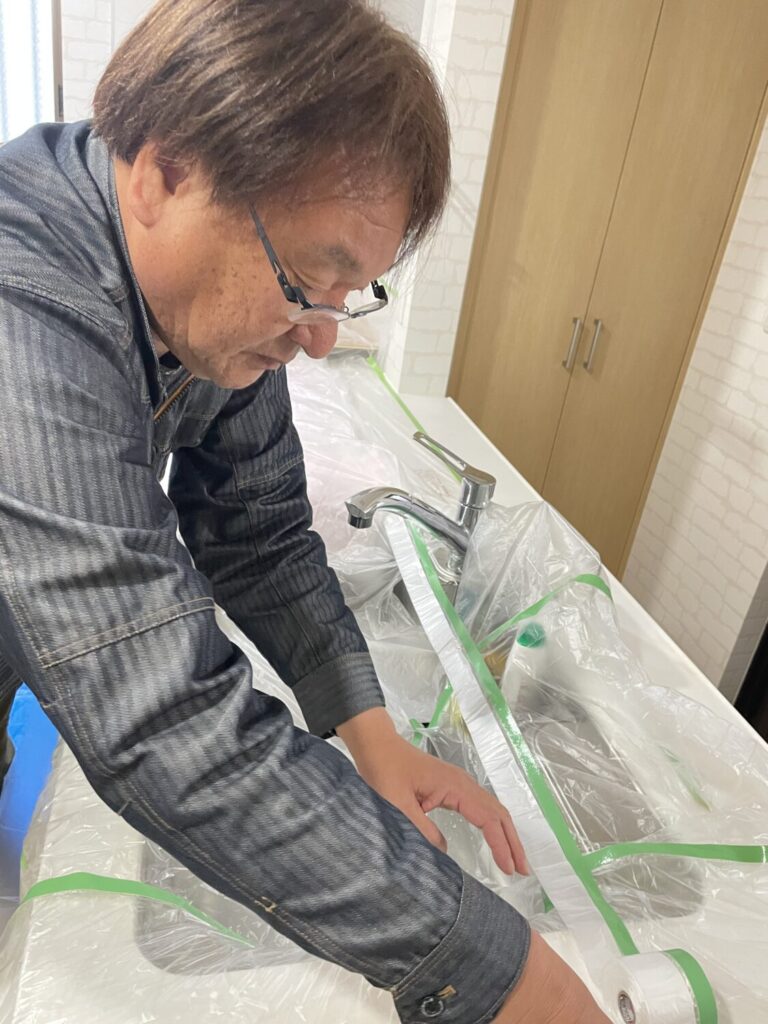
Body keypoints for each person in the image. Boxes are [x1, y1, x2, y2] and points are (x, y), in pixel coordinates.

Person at [0, 1, 610, 1021]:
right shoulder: (23, 308)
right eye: (305, 281)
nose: (319, 339)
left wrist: (375, 736)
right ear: (163, 173)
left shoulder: (207, 310)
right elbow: (164, 717)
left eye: (346, 294)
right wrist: (504, 972)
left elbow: (260, 528)